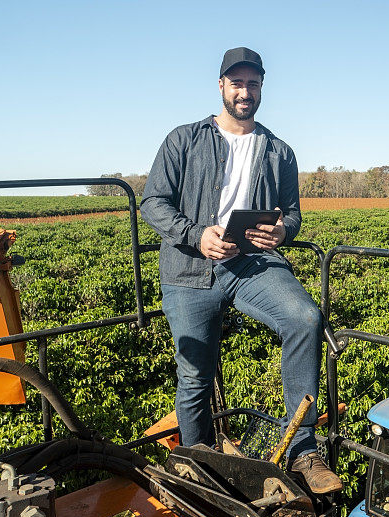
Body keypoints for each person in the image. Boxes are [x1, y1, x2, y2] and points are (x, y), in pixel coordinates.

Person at [140, 47, 342, 494]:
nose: (245, 92)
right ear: (221, 87)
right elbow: (152, 201)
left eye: (253, 84)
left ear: (262, 88)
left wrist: (282, 232)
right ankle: (198, 464)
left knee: (305, 318)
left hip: (254, 264)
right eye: (237, 83)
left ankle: (304, 451)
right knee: (195, 373)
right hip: (190, 268)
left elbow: (292, 213)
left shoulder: (279, 151)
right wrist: (196, 235)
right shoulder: (183, 139)